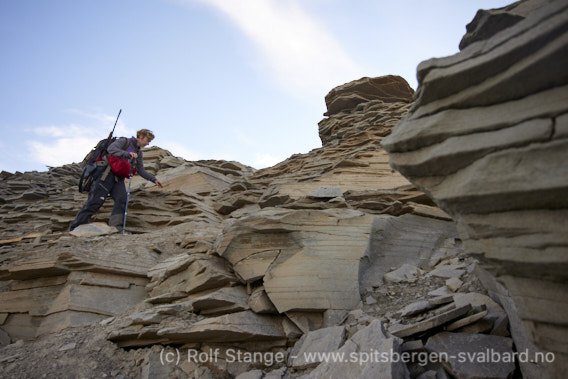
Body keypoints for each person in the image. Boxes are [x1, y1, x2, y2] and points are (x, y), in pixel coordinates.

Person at [70, 129, 163, 232]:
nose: (148, 143)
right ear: (141, 136)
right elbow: (111, 149)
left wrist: (154, 179)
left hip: (118, 178)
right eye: (147, 140)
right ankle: (76, 227)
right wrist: (127, 154)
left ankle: (116, 228)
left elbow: (141, 170)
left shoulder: (138, 152)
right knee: (96, 200)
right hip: (105, 173)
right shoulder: (125, 141)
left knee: (122, 199)